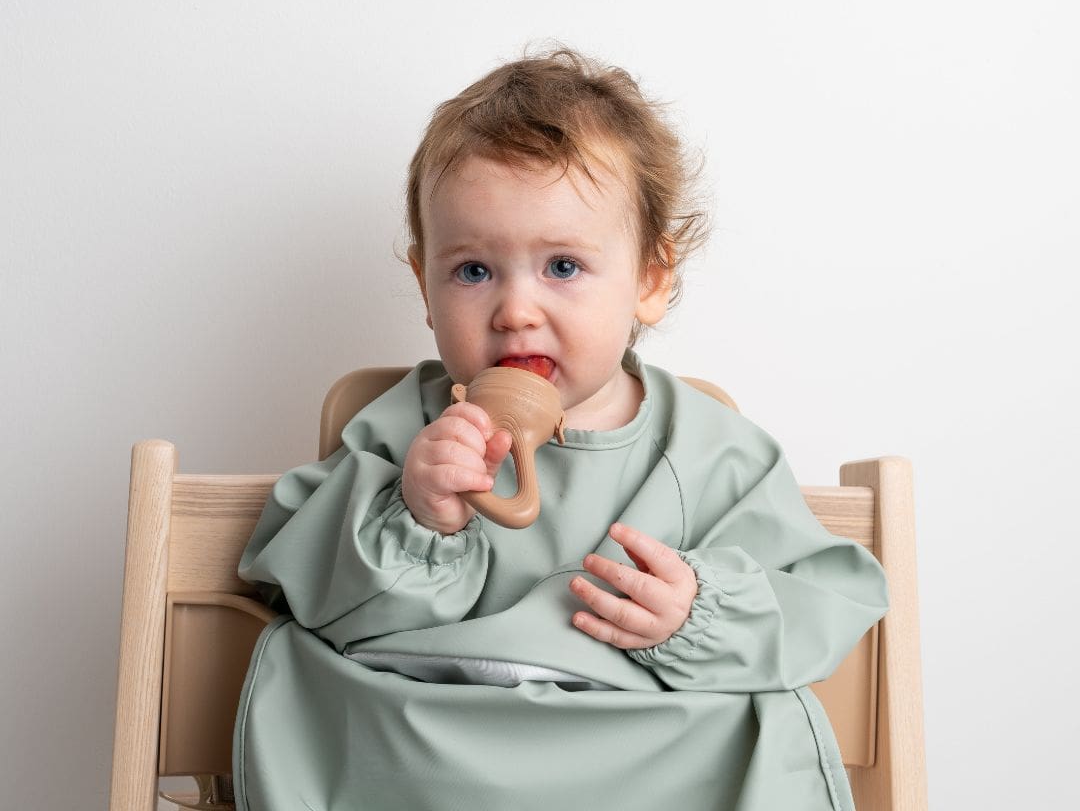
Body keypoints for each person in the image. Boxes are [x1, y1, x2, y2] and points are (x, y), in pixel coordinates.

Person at [233, 48, 889, 811]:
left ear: (649, 281)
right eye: (473, 271)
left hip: (632, 759)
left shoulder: (709, 453)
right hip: (435, 751)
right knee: (310, 672)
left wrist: (697, 613)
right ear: (424, 285)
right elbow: (302, 587)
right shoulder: (406, 427)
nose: (515, 310)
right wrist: (414, 519)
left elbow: (818, 602)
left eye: (564, 267)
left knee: (759, 720)